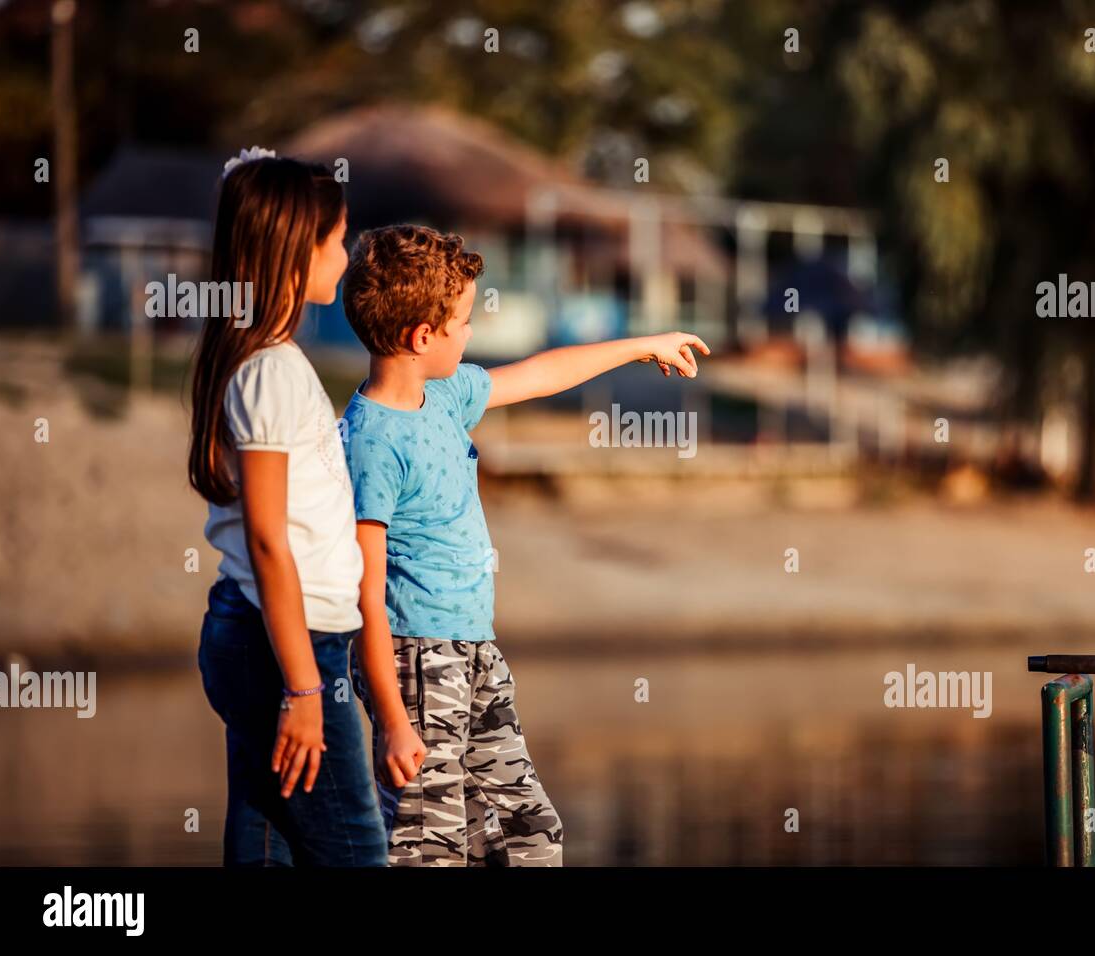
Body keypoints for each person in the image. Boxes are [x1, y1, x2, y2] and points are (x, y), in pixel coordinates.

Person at [341, 223, 709, 865]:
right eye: (462, 321)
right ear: (421, 337)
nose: (471, 332)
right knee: (431, 848)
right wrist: (396, 721)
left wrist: (642, 345)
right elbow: (366, 594)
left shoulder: (444, 397)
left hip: (475, 650)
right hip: (418, 666)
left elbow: (540, 374)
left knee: (530, 834)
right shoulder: (372, 441)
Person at [188, 150, 387, 866]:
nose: (346, 253)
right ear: (293, 254)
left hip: (262, 636)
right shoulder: (271, 370)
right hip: (289, 649)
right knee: (356, 852)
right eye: (335, 241)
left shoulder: (264, 361)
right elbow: (270, 541)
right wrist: (304, 686)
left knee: (265, 839)